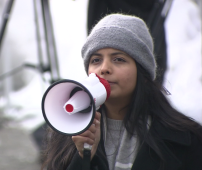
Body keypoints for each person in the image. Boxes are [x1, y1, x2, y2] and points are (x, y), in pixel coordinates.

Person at [41, 13, 202, 170]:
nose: (104, 68)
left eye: (119, 59)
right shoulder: (68, 133)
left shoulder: (187, 138)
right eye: (96, 60)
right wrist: (84, 158)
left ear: (142, 72)